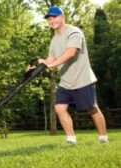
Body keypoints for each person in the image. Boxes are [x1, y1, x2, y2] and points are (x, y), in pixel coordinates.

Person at [27, 6, 108, 144]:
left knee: (92, 109)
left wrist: (50, 65)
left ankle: (103, 137)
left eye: (55, 17)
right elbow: (50, 60)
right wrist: (37, 66)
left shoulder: (74, 33)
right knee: (59, 108)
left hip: (82, 79)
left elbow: (71, 53)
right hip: (65, 81)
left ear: (63, 17)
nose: (52, 21)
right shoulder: (54, 39)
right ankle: (70, 138)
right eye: (50, 19)